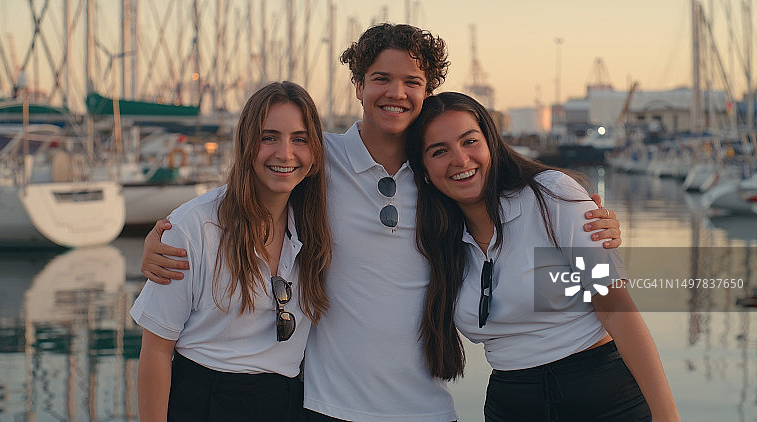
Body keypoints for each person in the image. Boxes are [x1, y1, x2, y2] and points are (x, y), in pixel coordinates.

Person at [140, 24, 622, 421]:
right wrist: (166, 232)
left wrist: (591, 220)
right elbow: (255, 184)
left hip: (428, 409)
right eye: (381, 79)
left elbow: (511, 216)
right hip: (326, 407)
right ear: (359, 86)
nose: (397, 92)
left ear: (427, 90)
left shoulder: (443, 174)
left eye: (412, 81)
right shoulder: (319, 160)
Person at [405, 91, 679, 421]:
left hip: (601, 396)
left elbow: (618, 310)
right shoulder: (435, 239)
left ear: (491, 143)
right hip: (511, 403)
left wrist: (667, 416)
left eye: (469, 141)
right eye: (439, 151)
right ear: (422, 170)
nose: (460, 160)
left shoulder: (550, 196)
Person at [130, 81, 331, 422]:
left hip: (287, 402)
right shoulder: (195, 226)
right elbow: (156, 350)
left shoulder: (317, 226)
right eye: (269, 137)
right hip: (203, 402)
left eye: (299, 139)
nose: (285, 153)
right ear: (246, 144)